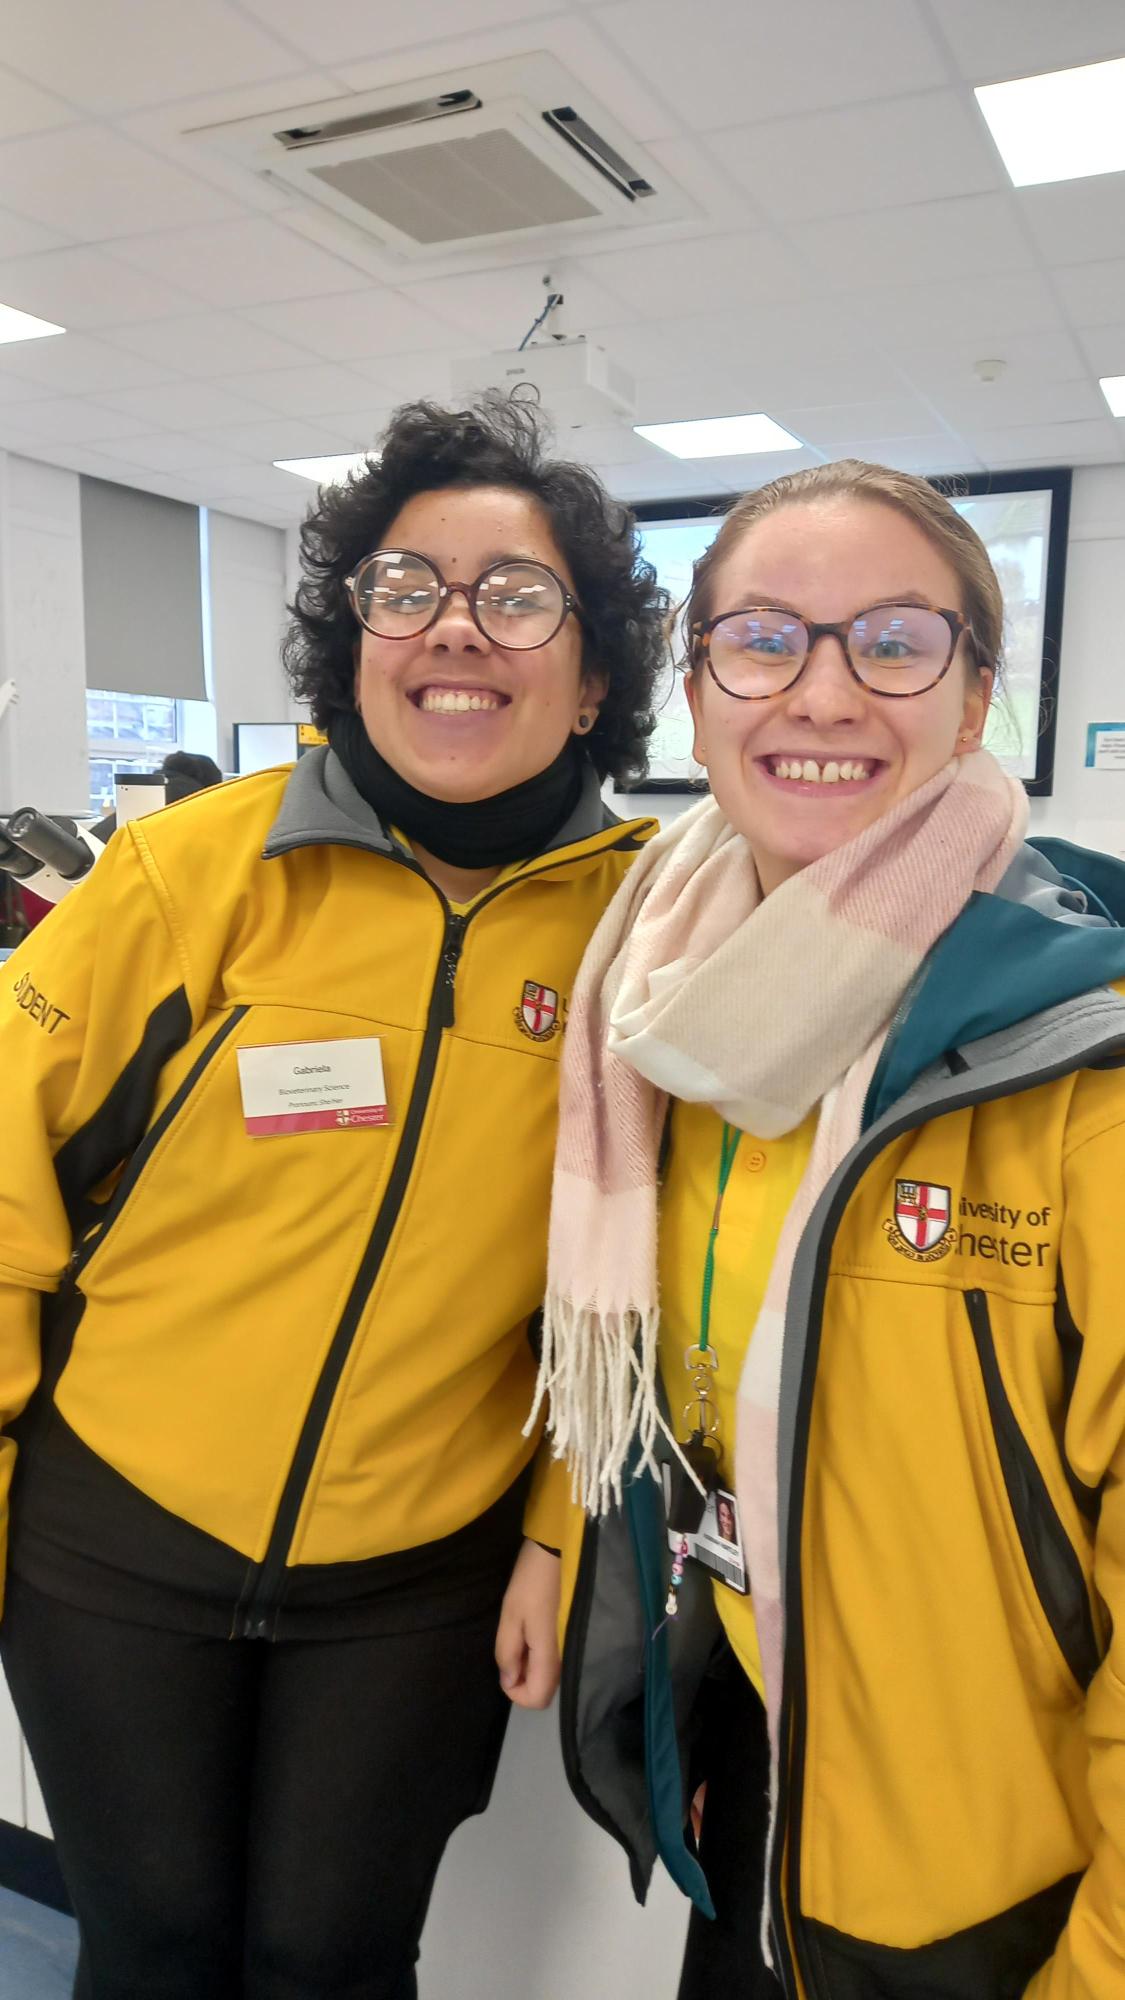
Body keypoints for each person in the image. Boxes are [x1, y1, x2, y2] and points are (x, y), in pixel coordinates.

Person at [0, 396, 665, 1999]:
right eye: (405, 587)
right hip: (114, 1535)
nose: (455, 631)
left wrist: (559, 1541)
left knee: (334, 1957)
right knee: (150, 1947)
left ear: (590, 682)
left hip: (420, 1569)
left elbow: (632, 1290)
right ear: (348, 633)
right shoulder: (186, 876)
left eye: (516, 598)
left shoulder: (643, 938)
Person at [535, 459, 1125, 1999]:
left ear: (975, 691)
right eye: (766, 637)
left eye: (892, 640)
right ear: (696, 684)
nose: (823, 691)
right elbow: (703, 1419)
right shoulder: (657, 997)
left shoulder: (1080, 1058)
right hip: (767, 1776)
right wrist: (702, 1704)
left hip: (997, 1874)